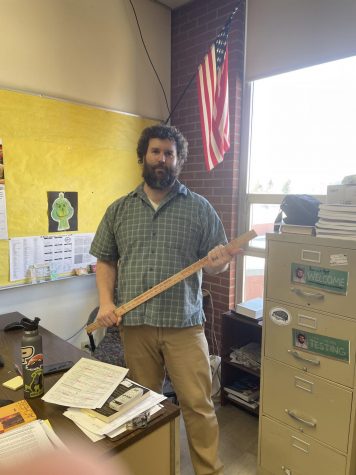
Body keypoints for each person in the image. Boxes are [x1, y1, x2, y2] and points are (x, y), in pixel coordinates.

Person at [90, 124, 240, 475]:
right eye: (156, 152)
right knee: (143, 405)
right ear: (143, 157)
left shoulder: (200, 208)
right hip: (136, 327)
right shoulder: (119, 209)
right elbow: (105, 260)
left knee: (198, 405)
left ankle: (209, 470)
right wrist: (106, 303)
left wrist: (221, 264)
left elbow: (216, 264)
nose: (162, 159)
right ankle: (154, 467)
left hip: (184, 327)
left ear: (179, 161)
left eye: (169, 154)